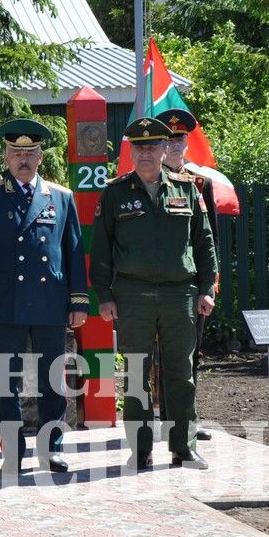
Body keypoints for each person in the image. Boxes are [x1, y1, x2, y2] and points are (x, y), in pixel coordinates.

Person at [89, 117, 218, 471]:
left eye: (152, 146)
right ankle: (141, 448)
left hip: (180, 295)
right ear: (131, 151)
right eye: (139, 147)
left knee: (180, 374)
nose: (145, 153)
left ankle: (183, 447)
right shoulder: (115, 193)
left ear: (165, 149)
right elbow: (101, 249)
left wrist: (207, 289)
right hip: (132, 295)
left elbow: (204, 243)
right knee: (135, 373)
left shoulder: (187, 188)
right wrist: (104, 295)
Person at [0, 118, 89, 473]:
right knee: (8, 382)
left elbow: (73, 252)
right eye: (16, 153)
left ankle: (52, 448)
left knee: (53, 380)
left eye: (30, 153)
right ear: (5, 157)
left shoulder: (61, 197)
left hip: (51, 303)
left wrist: (78, 302)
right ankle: (13, 451)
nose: (23, 159)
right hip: (7, 306)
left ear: (41, 158)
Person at [156, 108, 219, 441]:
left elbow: (211, 240)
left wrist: (209, 285)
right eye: (170, 139)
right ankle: (166, 419)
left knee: (190, 354)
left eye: (181, 138)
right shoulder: (150, 181)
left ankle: (186, 420)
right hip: (158, 287)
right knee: (161, 355)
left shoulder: (199, 183)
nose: (176, 144)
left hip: (192, 285)